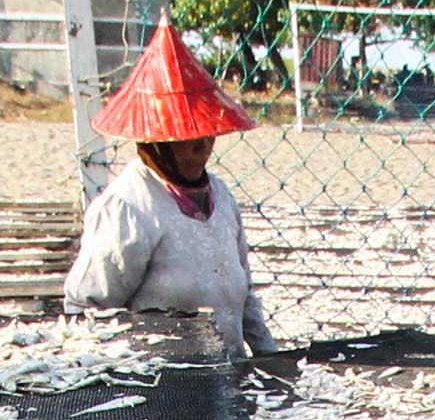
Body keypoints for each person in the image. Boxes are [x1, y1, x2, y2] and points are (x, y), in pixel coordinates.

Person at [61, 21, 277, 357]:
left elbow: (244, 295)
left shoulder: (220, 197)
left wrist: (270, 360)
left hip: (225, 381)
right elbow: (86, 310)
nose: (202, 145)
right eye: (186, 137)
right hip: (159, 387)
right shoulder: (127, 208)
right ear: (155, 143)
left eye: (208, 132)